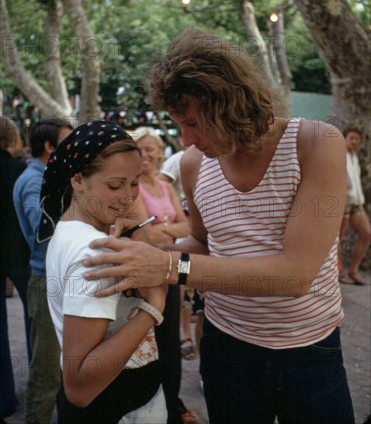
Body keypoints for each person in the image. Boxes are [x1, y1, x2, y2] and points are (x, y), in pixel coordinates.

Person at [83, 29, 355, 424]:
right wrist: (143, 254)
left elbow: (296, 275)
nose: (186, 139)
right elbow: (206, 244)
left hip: (310, 350)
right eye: (178, 124)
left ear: (233, 103)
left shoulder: (314, 143)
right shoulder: (195, 164)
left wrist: (166, 267)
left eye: (194, 122)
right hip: (226, 348)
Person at [38, 120, 167, 423]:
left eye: (135, 182)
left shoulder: (72, 230)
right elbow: (80, 386)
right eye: (115, 185)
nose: (129, 196)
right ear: (78, 180)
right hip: (118, 404)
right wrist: (153, 308)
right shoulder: (95, 251)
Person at [133, 127, 199, 424]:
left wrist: (165, 230)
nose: (146, 154)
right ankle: (158, 406)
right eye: (140, 149)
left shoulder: (165, 186)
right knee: (152, 342)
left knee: (171, 337)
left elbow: (188, 228)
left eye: (151, 149)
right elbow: (145, 235)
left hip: (174, 267)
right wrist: (166, 230)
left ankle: (173, 403)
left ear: (160, 153)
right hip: (148, 275)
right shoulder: (133, 187)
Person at [13, 117, 73, 423]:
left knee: (61, 372)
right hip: (48, 282)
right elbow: (42, 229)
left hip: (59, 280)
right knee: (46, 373)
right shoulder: (35, 181)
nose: (74, 147)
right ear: (50, 146)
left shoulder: (49, 176)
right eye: (67, 140)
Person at [158, 147, 205, 361]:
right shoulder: (180, 160)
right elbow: (161, 185)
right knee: (185, 286)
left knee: (202, 297)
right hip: (185, 245)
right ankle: (184, 333)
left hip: (206, 246)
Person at [0, 116, 31, 418]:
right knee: (35, 324)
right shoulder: (24, 171)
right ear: (13, 140)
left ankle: (3, 400)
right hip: (22, 255)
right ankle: (39, 391)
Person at [338, 126, 370, 285]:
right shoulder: (338, 153)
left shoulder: (354, 156)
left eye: (357, 139)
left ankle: (353, 271)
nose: (354, 141)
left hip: (357, 202)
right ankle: (340, 272)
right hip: (343, 201)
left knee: (367, 233)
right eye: (351, 138)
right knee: (338, 238)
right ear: (344, 138)